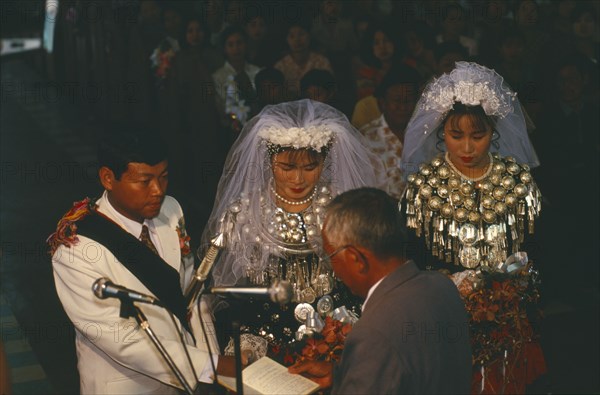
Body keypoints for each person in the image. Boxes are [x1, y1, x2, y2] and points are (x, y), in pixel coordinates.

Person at [48, 129, 237, 394]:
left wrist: (214, 363)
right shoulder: (77, 248)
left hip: (189, 377)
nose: (158, 191)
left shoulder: (170, 210)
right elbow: (120, 338)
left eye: (164, 177)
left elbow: (192, 295)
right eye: (144, 181)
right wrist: (211, 365)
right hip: (128, 384)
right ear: (108, 178)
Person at [400, 62, 546, 393]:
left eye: (478, 136)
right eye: (456, 135)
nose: (467, 148)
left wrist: (514, 287)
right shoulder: (425, 186)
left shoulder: (517, 181)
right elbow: (410, 259)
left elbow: (536, 250)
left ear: (494, 132)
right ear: (441, 131)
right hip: (442, 320)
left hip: (507, 320)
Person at [200, 99, 383, 361]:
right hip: (263, 339)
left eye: (310, 168)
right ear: (269, 161)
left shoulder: (340, 210)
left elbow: (361, 281)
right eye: (287, 167)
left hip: (335, 334)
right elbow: (234, 296)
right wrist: (249, 342)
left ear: (325, 162)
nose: (298, 179)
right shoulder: (245, 213)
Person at [288, 187, 472, 393]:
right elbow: (418, 371)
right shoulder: (440, 285)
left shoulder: (373, 333)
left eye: (331, 257)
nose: (334, 271)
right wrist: (342, 375)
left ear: (356, 259)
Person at [360, 64, 422, 200]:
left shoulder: (425, 133)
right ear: (382, 103)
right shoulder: (365, 137)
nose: (403, 107)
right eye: (396, 101)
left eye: (408, 101)